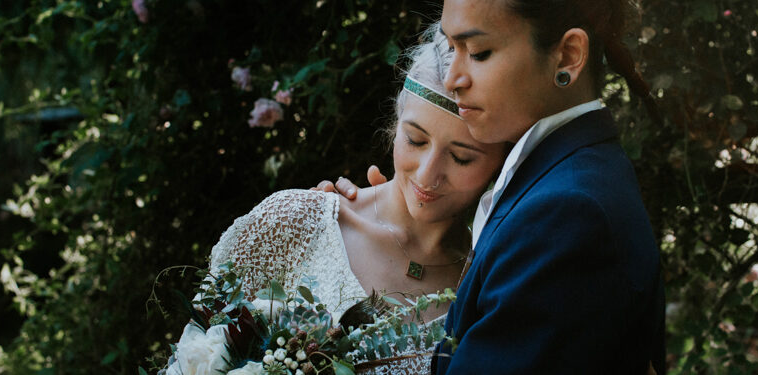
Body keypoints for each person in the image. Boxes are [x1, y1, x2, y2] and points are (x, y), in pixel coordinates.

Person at [325, 0, 666, 373]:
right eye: (451, 48)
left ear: (568, 56)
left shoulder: (569, 211)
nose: (453, 78)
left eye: (478, 52)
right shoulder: (554, 179)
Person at [166, 25, 508, 375]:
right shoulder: (295, 222)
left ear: (501, 163)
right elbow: (192, 356)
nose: (427, 174)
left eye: (462, 158)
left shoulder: (485, 289)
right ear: (395, 123)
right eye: (415, 140)